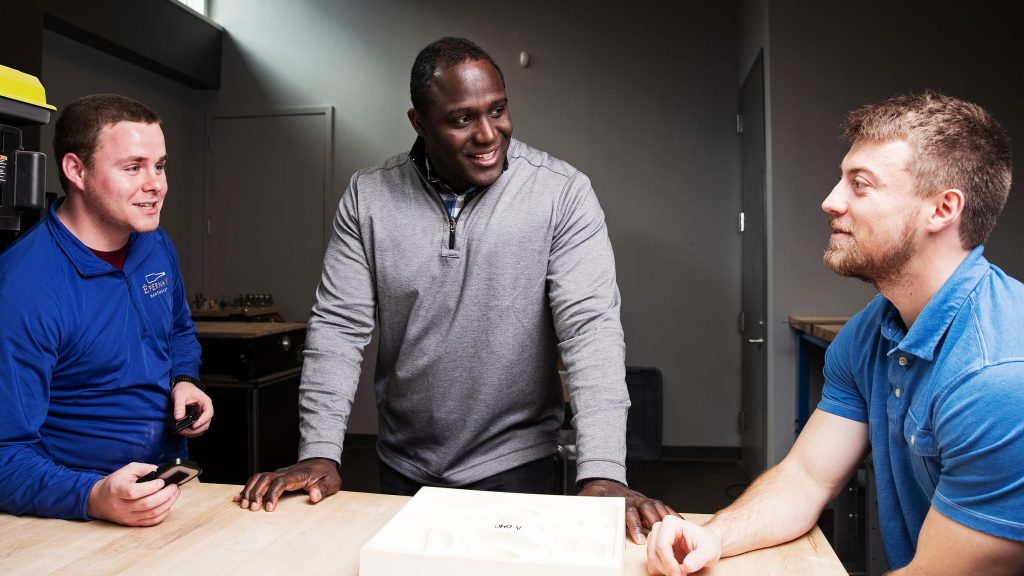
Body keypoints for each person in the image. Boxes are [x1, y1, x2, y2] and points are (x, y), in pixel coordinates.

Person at [235, 36, 672, 542]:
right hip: (403, 464)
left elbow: (589, 332)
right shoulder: (369, 196)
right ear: (419, 123)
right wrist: (318, 451)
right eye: (463, 119)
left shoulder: (562, 194)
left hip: (519, 465)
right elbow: (338, 328)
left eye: (498, 110)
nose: (489, 134)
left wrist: (602, 472)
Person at [647, 92, 1024, 575]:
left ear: (942, 209)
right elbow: (806, 478)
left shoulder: (997, 376)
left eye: (859, 185)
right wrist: (712, 535)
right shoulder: (873, 329)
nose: (830, 201)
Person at [0, 94, 213, 526]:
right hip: (72, 514)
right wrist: (94, 496)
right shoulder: (26, 286)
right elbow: (4, 454)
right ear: (76, 170)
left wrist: (184, 381)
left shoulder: (154, 243)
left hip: (163, 492)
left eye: (160, 165)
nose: (156, 184)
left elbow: (177, 332)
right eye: (133, 167)